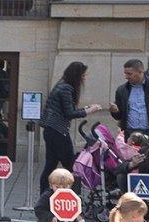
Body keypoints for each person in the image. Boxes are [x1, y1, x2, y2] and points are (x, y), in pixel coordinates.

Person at [39, 62, 106, 194]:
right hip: (58, 130)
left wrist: (84, 108)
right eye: (83, 75)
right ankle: (73, 197)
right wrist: (89, 111)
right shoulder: (66, 88)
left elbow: (66, 109)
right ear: (77, 76)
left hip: (51, 130)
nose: (84, 78)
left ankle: (45, 196)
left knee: (50, 166)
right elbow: (69, 113)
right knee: (70, 165)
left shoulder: (62, 86)